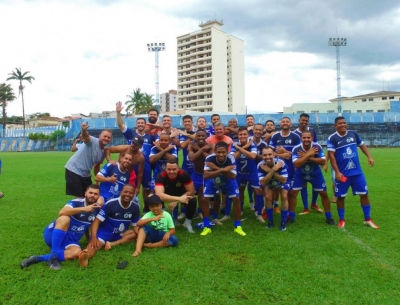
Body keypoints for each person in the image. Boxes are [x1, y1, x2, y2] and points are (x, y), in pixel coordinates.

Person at [20, 185, 104, 270]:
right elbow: (61, 212)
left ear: (99, 196)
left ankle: (37, 258)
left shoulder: (97, 209)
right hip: (53, 233)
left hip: (70, 239)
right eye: (90, 193)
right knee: (64, 218)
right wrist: (83, 209)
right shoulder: (75, 202)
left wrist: (91, 238)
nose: (92, 195)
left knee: (77, 253)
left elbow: (88, 224)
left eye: (95, 194)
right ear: (85, 193)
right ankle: (53, 258)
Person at [327, 116, 378, 229]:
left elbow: (362, 145)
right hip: (343, 174)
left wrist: (369, 157)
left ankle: (367, 219)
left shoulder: (353, 134)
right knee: (340, 197)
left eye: (344, 123)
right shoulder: (332, 138)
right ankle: (341, 220)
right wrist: (337, 172)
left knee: (364, 194)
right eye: (340, 123)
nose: (343, 125)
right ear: (335, 125)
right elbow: (331, 156)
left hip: (357, 173)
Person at [78, 184, 140, 267]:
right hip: (105, 232)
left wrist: (141, 235)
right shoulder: (111, 204)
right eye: (125, 192)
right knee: (95, 245)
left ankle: (112, 243)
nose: (128, 194)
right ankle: (86, 255)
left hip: (120, 233)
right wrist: (94, 237)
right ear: (121, 192)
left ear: (134, 194)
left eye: (131, 193)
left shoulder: (135, 207)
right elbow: (96, 221)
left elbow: (136, 226)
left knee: (134, 233)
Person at [201, 141, 246, 236]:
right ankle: (206, 226)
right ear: (215, 151)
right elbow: (206, 176)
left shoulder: (231, 158)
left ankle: (238, 226)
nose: (221, 154)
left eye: (223, 152)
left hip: (228, 181)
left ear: (227, 152)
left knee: (236, 199)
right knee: (204, 199)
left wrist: (215, 168)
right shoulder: (209, 158)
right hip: (213, 180)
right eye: (218, 152)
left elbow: (233, 176)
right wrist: (222, 169)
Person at [290, 131, 335, 225]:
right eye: (304, 138)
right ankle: (291, 217)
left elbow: (323, 161)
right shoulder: (296, 148)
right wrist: (309, 154)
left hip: (315, 174)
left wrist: (307, 157)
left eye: (308, 137)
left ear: (312, 138)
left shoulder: (317, 147)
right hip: (300, 174)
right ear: (301, 138)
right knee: (293, 193)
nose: (306, 139)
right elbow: (296, 163)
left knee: (323, 194)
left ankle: (329, 217)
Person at [116, 101, 155, 197]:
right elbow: (121, 125)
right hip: (130, 167)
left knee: (146, 189)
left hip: (145, 167)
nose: (140, 124)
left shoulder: (150, 137)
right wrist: (118, 113)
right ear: (136, 124)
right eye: (139, 123)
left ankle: (146, 208)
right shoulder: (131, 134)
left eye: (142, 123)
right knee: (128, 187)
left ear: (145, 125)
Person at [65, 122, 112, 198]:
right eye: (105, 136)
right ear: (100, 136)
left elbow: (97, 165)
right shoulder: (93, 141)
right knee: (80, 197)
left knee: (89, 196)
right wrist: (83, 130)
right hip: (73, 169)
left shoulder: (104, 152)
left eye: (108, 137)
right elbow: (86, 137)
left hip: (86, 174)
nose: (106, 138)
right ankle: (75, 209)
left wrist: (97, 181)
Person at [269, 117, 301, 223]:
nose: (285, 123)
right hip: (279, 169)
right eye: (283, 121)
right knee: (277, 191)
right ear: (280, 124)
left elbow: (299, 154)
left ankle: (291, 215)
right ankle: (277, 211)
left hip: (292, 169)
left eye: (287, 121)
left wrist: (287, 151)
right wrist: (282, 154)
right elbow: (270, 153)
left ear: (291, 124)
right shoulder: (275, 136)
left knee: (291, 193)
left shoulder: (296, 137)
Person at [229, 127, 265, 223]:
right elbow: (232, 158)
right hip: (240, 173)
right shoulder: (234, 145)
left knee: (258, 191)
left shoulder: (252, 144)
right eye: (241, 134)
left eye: (245, 134)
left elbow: (253, 156)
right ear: (238, 135)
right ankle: (240, 209)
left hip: (252, 173)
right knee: (239, 191)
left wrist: (240, 148)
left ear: (248, 135)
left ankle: (259, 212)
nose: (243, 136)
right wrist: (243, 148)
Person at [293, 113, 323, 215]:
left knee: (316, 183)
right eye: (303, 120)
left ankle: (313, 204)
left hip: (313, 161)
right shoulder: (294, 133)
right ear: (299, 120)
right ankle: (306, 208)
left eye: (306, 121)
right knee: (303, 184)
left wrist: (309, 156)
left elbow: (316, 148)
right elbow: (294, 150)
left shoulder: (312, 131)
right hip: (300, 162)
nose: (304, 122)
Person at [154, 160, 196, 233]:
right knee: (153, 198)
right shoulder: (160, 176)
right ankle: (160, 220)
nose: (171, 172)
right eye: (169, 169)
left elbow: (191, 192)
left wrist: (176, 201)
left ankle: (187, 222)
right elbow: (159, 195)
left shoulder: (184, 174)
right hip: (167, 194)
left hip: (182, 194)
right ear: (165, 169)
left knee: (193, 200)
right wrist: (178, 199)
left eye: (174, 169)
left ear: (178, 168)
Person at [257, 147, 289, 231]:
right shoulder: (260, 165)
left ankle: (283, 221)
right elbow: (263, 183)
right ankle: (270, 221)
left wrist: (271, 171)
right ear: (262, 156)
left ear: (274, 155)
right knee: (268, 197)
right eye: (265, 155)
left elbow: (283, 180)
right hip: (269, 181)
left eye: (269, 154)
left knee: (284, 196)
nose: (267, 157)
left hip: (281, 181)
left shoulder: (281, 163)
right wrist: (273, 170)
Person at [188, 129, 214, 218]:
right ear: (195, 137)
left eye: (203, 136)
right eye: (198, 136)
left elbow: (210, 158)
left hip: (207, 174)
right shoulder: (191, 145)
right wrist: (202, 149)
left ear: (206, 137)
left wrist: (199, 149)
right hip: (196, 174)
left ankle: (205, 212)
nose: (201, 137)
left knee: (206, 194)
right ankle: (187, 213)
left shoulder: (210, 146)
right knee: (189, 193)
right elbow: (192, 158)